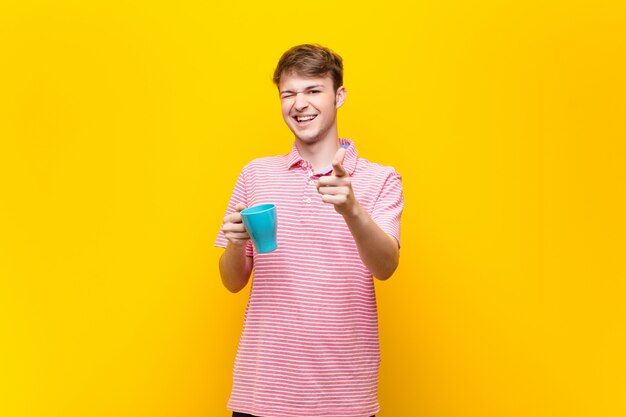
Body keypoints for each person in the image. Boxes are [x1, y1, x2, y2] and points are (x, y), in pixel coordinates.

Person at [215, 44, 404, 417]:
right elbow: (232, 281)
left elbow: (386, 267)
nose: (299, 103)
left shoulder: (381, 179)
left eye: (313, 90)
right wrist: (236, 245)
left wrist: (352, 209)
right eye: (289, 93)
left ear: (339, 95)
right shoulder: (256, 174)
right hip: (262, 392)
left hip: (344, 396)